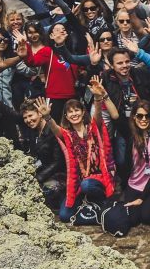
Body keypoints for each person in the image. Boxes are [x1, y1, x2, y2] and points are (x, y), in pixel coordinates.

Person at [44, 82, 115, 222]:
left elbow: (98, 117)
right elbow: (57, 131)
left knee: (87, 185)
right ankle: (98, 214)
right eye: (70, 111)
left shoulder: (93, 128)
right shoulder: (68, 135)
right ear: (66, 116)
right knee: (64, 216)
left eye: (76, 110)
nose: (74, 114)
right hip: (79, 183)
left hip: (99, 177)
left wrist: (97, 98)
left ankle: (102, 201)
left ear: (83, 112)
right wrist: (47, 117)